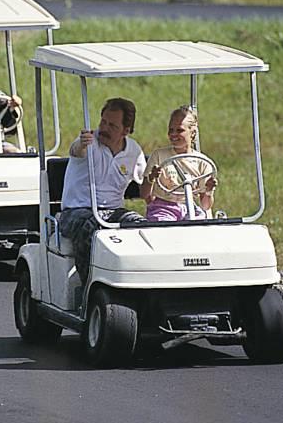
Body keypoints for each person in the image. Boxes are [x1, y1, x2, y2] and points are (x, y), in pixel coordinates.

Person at [60, 97, 147, 284]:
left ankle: (136, 282)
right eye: (103, 122)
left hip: (113, 212)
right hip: (76, 212)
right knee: (94, 228)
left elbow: (146, 187)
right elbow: (76, 150)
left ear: (126, 131)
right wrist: (82, 143)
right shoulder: (88, 143)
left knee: (141, 226)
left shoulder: (134, 152)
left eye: (112, 126)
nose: (104, 129)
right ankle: (89, 285)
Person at [140, 105, 218, 221]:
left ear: (192, 133)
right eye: (171, 130)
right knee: (162, 223)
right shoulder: (158, 155)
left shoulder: (202, 162)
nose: (173, 134)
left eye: (179, 130)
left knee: (199, 223)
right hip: (163, 208)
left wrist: (209, 190)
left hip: (190, 208)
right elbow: (144, 194)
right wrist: (151, 178)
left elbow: (206, 206)